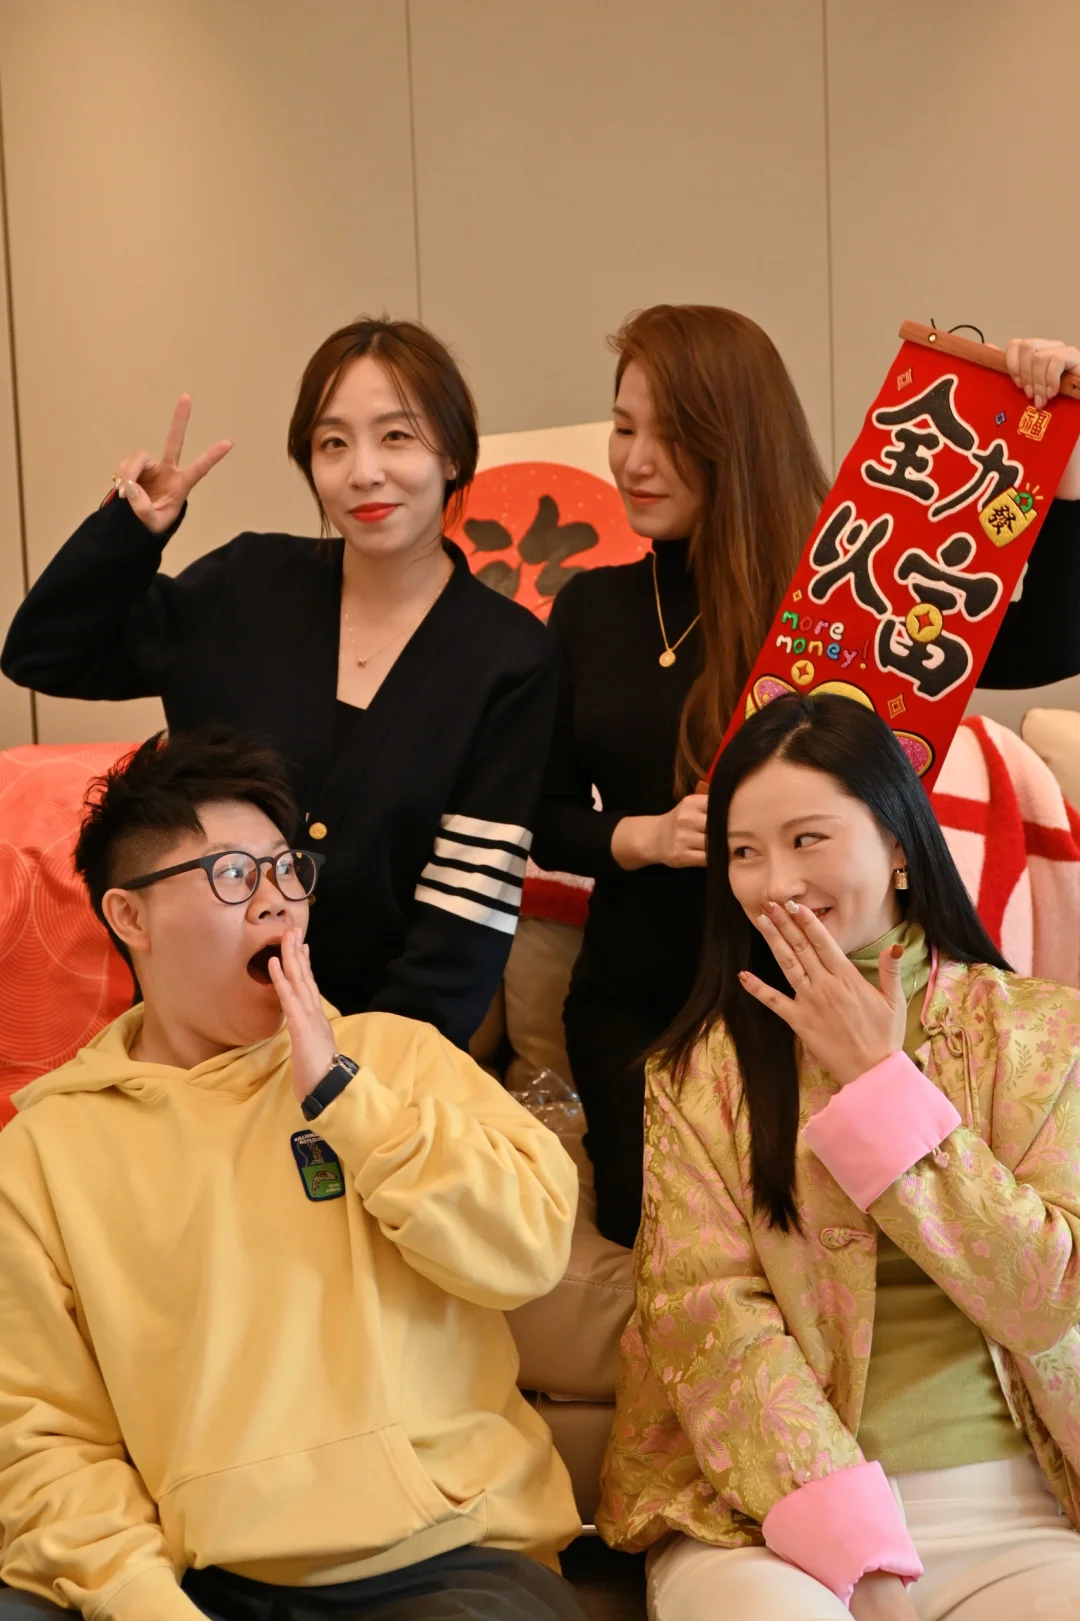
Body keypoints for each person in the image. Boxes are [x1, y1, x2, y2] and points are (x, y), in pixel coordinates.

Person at [0, 725, 586, 1621]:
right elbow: (43, 1434)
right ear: (131, 917)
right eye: (235, 875)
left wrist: (345, 1098)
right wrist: (142, 1601)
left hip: (445, 1559)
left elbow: (528, 1250)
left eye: (287, 870)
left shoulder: (399, 1055)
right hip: (196, 1575)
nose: (276, 900)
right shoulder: (47, 1149)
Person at [533, 306, 1080, 1248]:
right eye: (623, 428)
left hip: (820, 999)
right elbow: (542, 818)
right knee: (653, 1236)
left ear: (738, 438)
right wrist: (646, 835)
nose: (636, 461)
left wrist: (1063, 442)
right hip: (643, 1002)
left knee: (834, 1241)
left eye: (673, 435)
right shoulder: (589, 607)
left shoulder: (844, 588)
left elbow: (1050, 640)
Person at [598, 692, 1080, 1621]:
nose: (775, 881)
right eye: (744, 851)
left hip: (1018, 1509)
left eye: (808, 839)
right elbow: (709, 1321)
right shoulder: (698, 1073)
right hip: (765, 1523)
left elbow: (1045, 1294)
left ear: (899, 842)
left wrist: (878, 1082)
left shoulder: (1043, 1035)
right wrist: (854, 1550)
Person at [1, 318, 556, 1051]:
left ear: (452, 453)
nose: (363, 472)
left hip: (375, 1053)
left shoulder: (508, 657)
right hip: (196, 1040)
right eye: (333, 443)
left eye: (397, 436)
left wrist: (354, 1080)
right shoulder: (247, 584)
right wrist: (131, 533)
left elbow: (464, 920)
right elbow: (44, 653)